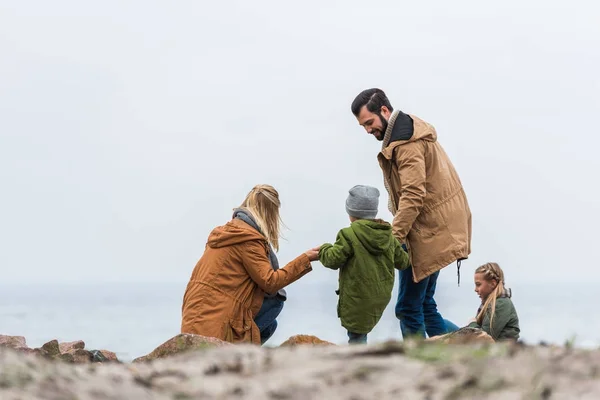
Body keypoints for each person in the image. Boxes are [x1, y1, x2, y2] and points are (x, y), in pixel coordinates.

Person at [350, 88, 472, 339]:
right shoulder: (408, 130)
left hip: (425, 232)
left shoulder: (406, 143)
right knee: (425, 306)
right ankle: (470, 341)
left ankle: (418, 364)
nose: (367, 130)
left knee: (408, 308)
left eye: (369, 123)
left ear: (384, 111)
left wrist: (392, 240)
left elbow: (413, 196)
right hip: (435, 227)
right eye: (363, 126)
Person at [180, 184, 319, 345]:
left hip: (193, 318)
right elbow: (270, 282)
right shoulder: (248, 240)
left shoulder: (225, 233)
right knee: (276, 301)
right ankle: (243, 354)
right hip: (214, 325)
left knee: (270, 325)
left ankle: (245, 350)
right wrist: (306, 259)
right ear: (270, 213)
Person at [318, 185, 410, 344]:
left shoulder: (348, 234)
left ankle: (358, 363)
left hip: (357, 297)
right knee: (361, 333)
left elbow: (332, 260)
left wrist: (324, 248)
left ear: (351, 213)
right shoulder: (388, 235)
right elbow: (403, 262)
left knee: (356, 336)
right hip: (379, 296)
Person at [467, 262, 520, 341]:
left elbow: (484, 338)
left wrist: (472, 324)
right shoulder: (491, 303)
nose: (475, 289)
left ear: (493, 284)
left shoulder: (501, 304)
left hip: (501, 350)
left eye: (478, 284)